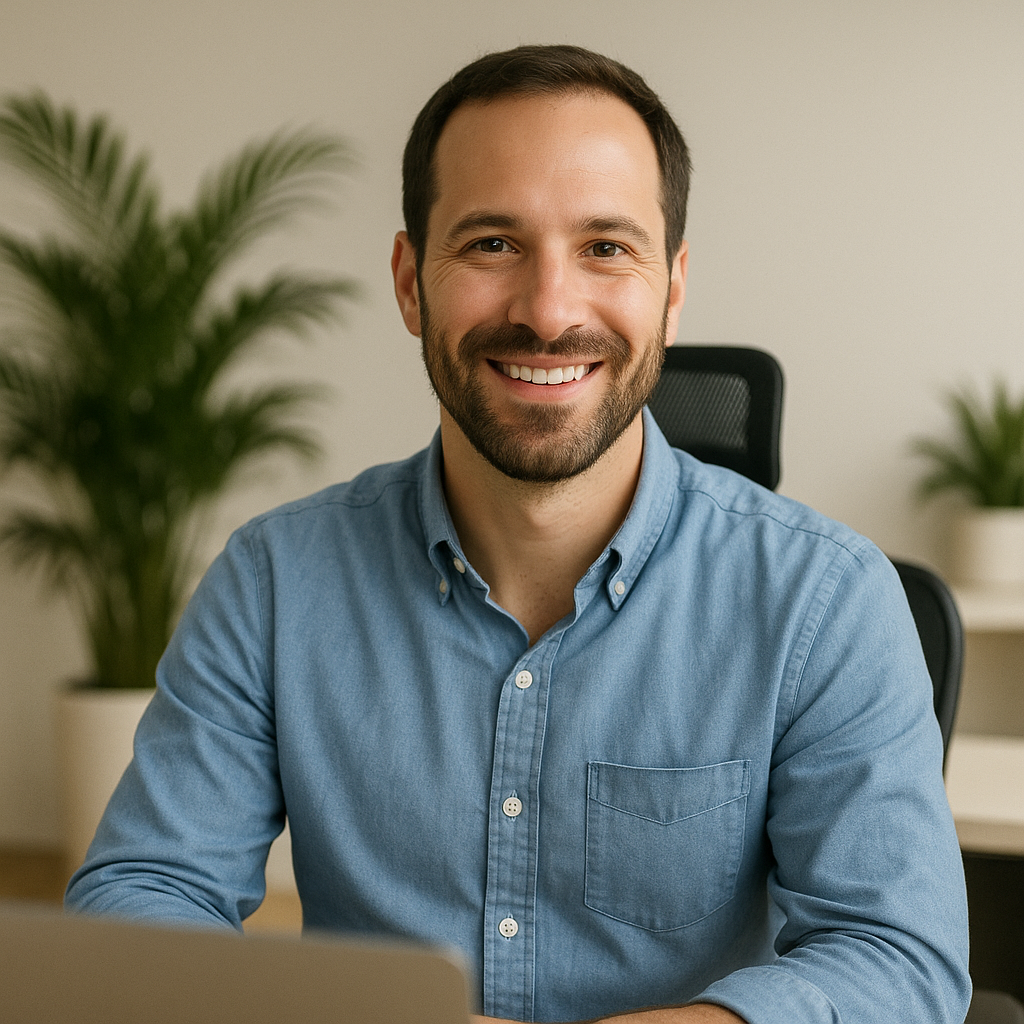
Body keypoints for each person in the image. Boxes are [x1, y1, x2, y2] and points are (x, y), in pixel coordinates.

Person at [65, 44, 971, 1023]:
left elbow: (897, 961)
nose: (547, 310)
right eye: (492, 243)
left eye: (605, 247)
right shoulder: (276, 580)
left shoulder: (825, 599)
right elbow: (136, 901)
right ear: (411, 281)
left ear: (671, 286)